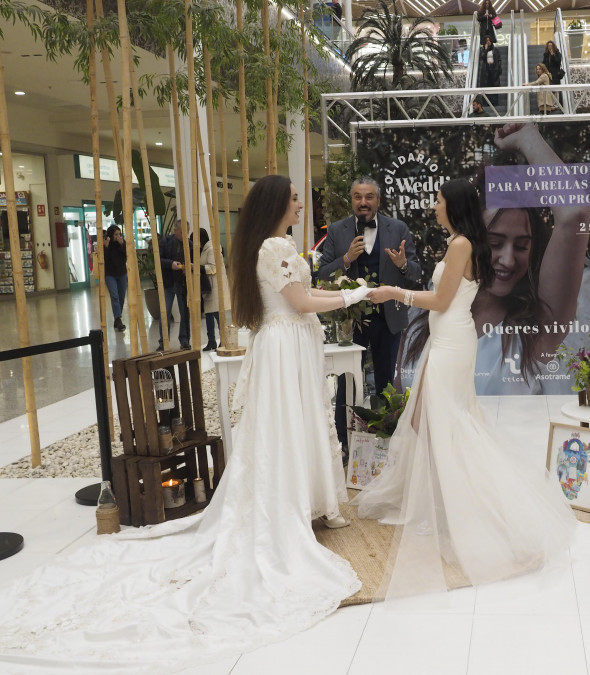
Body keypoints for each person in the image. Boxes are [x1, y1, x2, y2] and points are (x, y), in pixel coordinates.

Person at [0, 175, 364, 669]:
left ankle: (303, 498)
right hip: (286, 344)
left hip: (287, 345)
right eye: (296, 198)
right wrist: (356, 295)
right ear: (280, 204)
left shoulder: (271, 244)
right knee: (291, 425)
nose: (302, 204)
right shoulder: (276, 245)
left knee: (291, 425)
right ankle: (293, 504)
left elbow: (297, 297)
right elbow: (300, 302)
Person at [355, 178, 575, 600]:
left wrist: (392, 292)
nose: (434, 205)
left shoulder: (461, 246)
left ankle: (458, 508)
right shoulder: (460, 241)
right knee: (427, 419)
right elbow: (442, 297)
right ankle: (442, 501)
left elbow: (441, 302)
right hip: (447, 339)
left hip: (452, 342)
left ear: (452, 204)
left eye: (437, 199)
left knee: (447, 424)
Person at [397, 123, 590, 395]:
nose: (508, 259)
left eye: (522, 246)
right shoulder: (420, 315)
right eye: (495, 243)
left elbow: (575, 214)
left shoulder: (537, 326)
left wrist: (528, 138)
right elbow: (400, 404)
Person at [317, 177, 421, 451]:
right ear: (352, 199)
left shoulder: (398, 228)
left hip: (389, 317)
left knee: (387, 382)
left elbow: (416, 273)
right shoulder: (337, 231)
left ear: (378, 200)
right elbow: (322, 273)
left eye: (369, 197)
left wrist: (401, 265)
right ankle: (343, 444)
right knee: (346, 381)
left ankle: (387, 444)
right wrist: (347, 259)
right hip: (350, 321)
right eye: (357, 197)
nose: (363, 202)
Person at [194, 227, 231, 352]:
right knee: (209, 314)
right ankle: (211, 341)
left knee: (217, 315)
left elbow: (212, 268)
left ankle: (224, 340)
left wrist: (197, 267)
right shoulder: (204, 250)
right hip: (210, 287)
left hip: (215, 287)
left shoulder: (211, 250)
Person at [157, 218, 191, 350]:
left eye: (187, 232)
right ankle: (163, 341)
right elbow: (158, 259)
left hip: (182, 283)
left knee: (185, 312)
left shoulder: (190, 244)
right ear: (175, 230)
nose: (185, 235)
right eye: (182, 232)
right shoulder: (165, 242)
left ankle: (184, 340)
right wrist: (170, 264)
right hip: (168, 282)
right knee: (164, 312)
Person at [103, 224, 128, 332]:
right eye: (115, 234)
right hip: (110, 274)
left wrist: (122, 244)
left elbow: (127, 255)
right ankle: (118, 319)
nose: (118, 236)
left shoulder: (122, 243)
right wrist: (106, 246)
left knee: (121, 297)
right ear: (110, 235)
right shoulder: (106, 244)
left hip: (122, 273)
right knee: (114, 296)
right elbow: (104, 259)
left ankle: (117, 318)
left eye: (119, 234)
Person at [479, 36, 502, 105]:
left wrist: (499, 69)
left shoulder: (495, 50)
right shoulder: (483, 50)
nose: (488, 42)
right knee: (486, 87)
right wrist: (486, 50)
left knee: (494, 87)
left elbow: (499, 59)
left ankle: (494, 103)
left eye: (489, 40)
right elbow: (482, 57)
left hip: (494, 70)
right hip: (486, 70)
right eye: (486, 41)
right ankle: (486, 104)